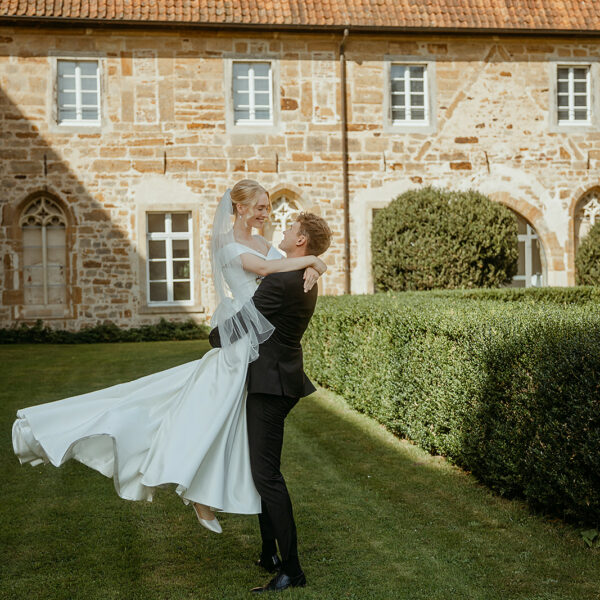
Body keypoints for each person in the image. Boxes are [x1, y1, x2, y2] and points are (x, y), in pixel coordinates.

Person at [11, 180, 327, 535]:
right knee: (190, 411)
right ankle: (194, 491)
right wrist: (315, 259)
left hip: (255, 347)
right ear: (239, 208)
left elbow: (287, 265)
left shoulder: (267, 245)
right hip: (238, 341)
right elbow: (269, 271)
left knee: (224, 426)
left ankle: (208, 496)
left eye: (269, 208)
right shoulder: (227, 243)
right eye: (261, 207)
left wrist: (316, 266)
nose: (267, 214)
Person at [209, 212, 332, 592]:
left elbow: (243, 323)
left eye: (292, 228)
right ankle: (268, 553)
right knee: (261, 469)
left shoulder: (282, 280)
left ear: (301, 242)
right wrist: (317, 262)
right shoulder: (301, 275)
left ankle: (292, 570)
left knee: (267, 476)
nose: (285, 229)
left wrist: (214, 336)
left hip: (271, 385)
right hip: (280, 379)